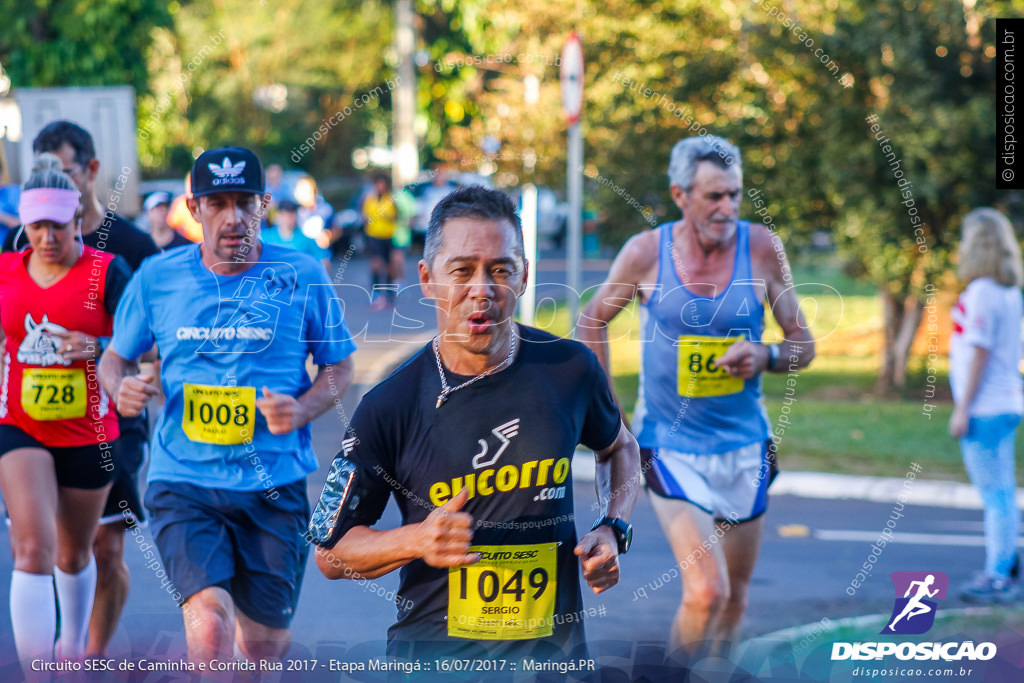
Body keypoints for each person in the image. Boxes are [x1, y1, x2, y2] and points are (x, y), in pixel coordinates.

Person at [313, 185, 640, 665]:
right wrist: (417, 539)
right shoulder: (390, 402)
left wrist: (613, 527)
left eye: (500, 270)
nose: (481, 290)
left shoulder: (569, 369)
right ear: (427, 279)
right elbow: (331, 553)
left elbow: (620, 448)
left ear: (524, 277)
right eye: (462, 270)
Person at [98, 146, 357, 667]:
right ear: (194, 209)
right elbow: (114, 359)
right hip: (184, 482)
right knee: (210, 627)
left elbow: (340, 368)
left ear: (264, 204)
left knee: (262, 651)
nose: (234, 218)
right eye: (218, 203)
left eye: (245, 202)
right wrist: (120, 387)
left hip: (274, 487)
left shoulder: (303, 274)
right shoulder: (156, 277)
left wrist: (304, 409)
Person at [578, 136, 814, 658]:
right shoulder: (646, 252)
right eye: (714, 197)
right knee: (708, 592)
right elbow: (591, 318)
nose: (727, 208)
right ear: (680, 194)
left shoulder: (760, 249)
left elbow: (804, 345)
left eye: (734, 195)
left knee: (735, 598)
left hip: (745, 446)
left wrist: (767, 357)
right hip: (670, 445)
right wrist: (611, 418)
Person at [3, 120, 162, 658]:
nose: (47, 238)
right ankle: (41, 668)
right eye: (36, 225)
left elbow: (156, 340)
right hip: (24, 421)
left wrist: (97, 352)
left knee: (92, 549)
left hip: (106, 421)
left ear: (87, 177)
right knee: (32, 546)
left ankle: (82, 657)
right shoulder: (11, 258)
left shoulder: (127, 251)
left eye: (63, 171)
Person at [949, 207, 1024, 603]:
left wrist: (962, 407)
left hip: (985, 407)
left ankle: (998, 575)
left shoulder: (981, 293)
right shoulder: (1010, 293)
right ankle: (1006, 563)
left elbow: (978, 353)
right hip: (1007, 400)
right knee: (1003, 492)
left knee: (996, 495)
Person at [361, 172, 398, 311]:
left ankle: (389, 292)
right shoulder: (370, 199)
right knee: (376, 263)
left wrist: (386, 217)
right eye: (378, 184)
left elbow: (395, 216)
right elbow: (365, 216)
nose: (380, 186)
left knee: (389, 265)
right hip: (373, 235)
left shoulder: (390, 199)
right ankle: (375, 292)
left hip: (387, 235)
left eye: (383, 184)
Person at [262, 198, 331, 270]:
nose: (292, 218)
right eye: (288, 214)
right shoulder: (266, 237)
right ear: (280, 215)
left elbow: (324, 259)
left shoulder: (305, 238)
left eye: (294, 213)